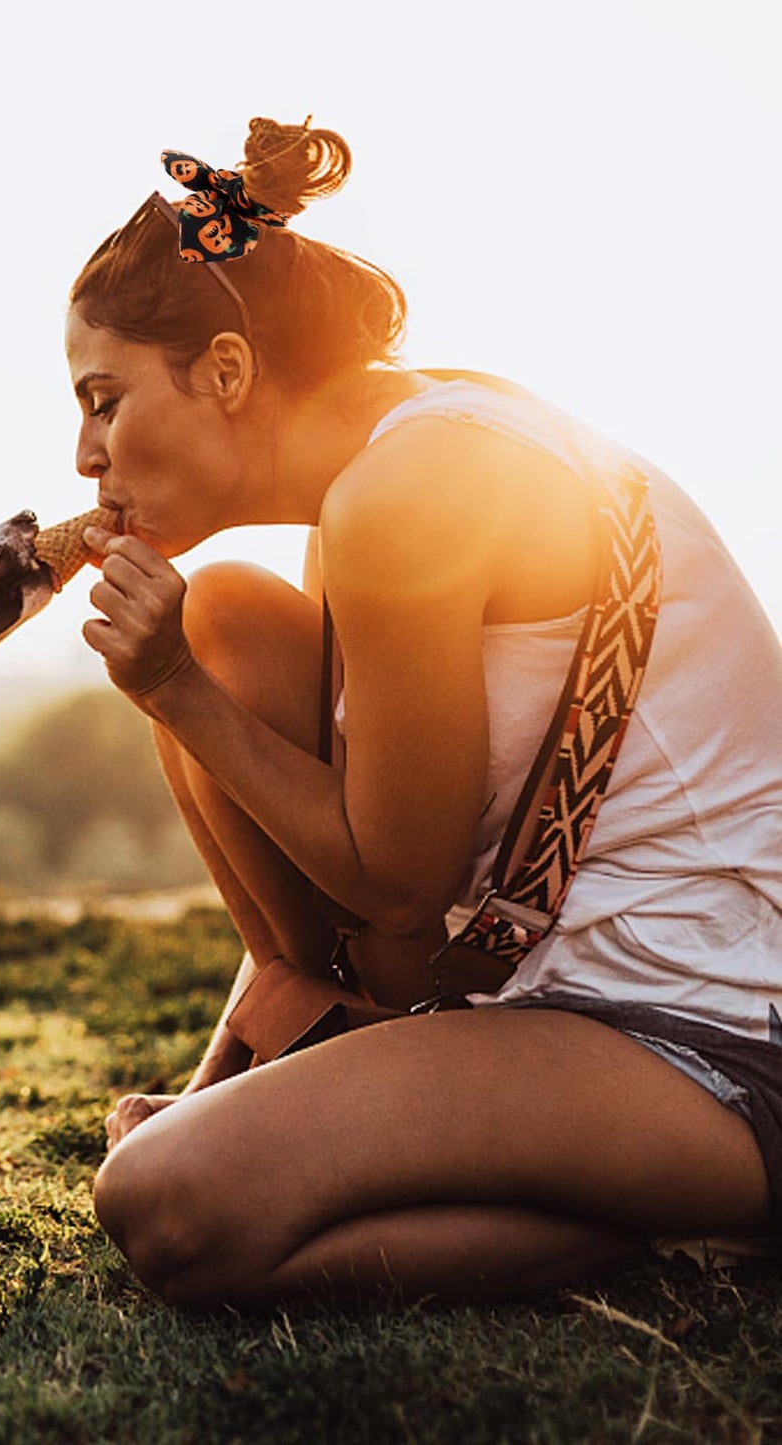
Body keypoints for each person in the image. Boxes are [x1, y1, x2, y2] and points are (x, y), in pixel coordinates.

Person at [66, 116, 782, 1310]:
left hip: (708, 1024)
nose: (85, 454)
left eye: (103, 400)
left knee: (170, 1207)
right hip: (540, 979)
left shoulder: (407, 492)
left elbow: (397, 880)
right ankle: (306, 1044)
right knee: (222, 618)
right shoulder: (405, 438)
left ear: (229, 372)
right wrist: (217, 1079)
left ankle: (657, 1223)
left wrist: (168, 691)